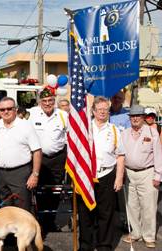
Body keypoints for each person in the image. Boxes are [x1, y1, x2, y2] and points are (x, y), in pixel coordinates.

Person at [77, 96, 125, 251]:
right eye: (99, 109)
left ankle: (104, 244)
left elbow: (120, 156)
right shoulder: (84, 128)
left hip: (107, 175)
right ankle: (86, 244)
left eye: (105, 109)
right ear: (93, 111)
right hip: (86, 176)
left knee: (106, 213)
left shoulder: (114, 130)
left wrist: (119, 178)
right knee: (85, 213)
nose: (103, 112)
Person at [121, 105, 162, 249]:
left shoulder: (152, 132)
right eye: (133, 116)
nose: (135, 118)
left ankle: (149, 236)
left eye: (138, 116)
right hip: (129, 173)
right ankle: (136, 233)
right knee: (132, 205)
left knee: (149, 206)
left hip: (147, 173)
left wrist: (158, 175)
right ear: (130, 118)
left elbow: (158, 155)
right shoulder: (124, 133)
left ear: (143, 118)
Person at [28, 88, 68, 233]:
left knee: (55, 190)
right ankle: (38, 220)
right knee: (37, 190)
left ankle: (50, 221)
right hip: (39, 159)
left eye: (50, 100)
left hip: (57, 159)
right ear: (40, 102)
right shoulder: (32, 114)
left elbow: (69, 136)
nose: (47, 103)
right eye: (44, 101)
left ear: (54, 101)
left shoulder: (63, 115)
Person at [0, 97, 41, 211]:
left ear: (16, 109)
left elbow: (37, 151)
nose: (6, 112)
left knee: (22, 209)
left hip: (20, 173)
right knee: (5, 209)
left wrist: (35, 174)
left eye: (9, 108)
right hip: (1, 175)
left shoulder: (26, 126)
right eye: (2, 109)